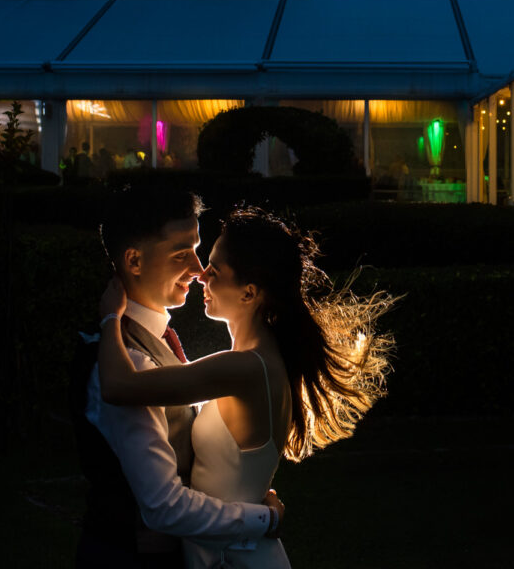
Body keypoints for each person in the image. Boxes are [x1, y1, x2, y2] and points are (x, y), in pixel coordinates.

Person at [97, 205, 394, 568]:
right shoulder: (252, 363)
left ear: (249, 293)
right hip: (238, 551)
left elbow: (118, 386)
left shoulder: (244, 368)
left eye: (216, 270)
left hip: (239, 557)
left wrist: (111, 315)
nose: (202, 275)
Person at [72, 187, 284, 567]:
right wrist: (261, 517)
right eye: (181, 253)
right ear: (134, 261)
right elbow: (164, 506)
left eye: (197, 249)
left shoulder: (156, 341)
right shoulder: (129, 357)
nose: (199, 269)